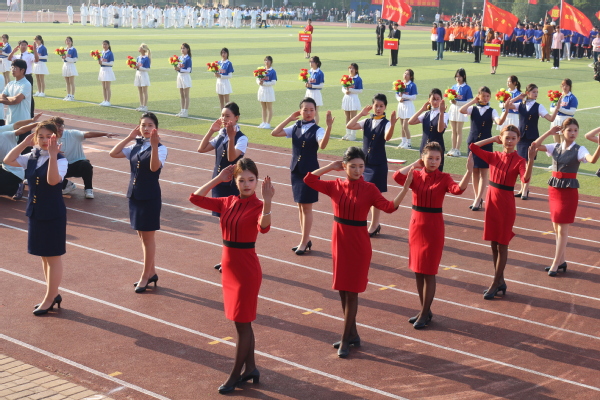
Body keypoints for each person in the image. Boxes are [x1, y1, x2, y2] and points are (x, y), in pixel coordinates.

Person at [305, 147, 408, 356]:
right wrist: (330, 167)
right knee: (343, 290)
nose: (358, 170)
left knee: (352, 292)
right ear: (344, 166)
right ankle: (353, 335)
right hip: (339, 242)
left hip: (359, 244)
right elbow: (309, 180)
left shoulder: (370, 188)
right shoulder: (335, 185)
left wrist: (405, 188)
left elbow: (389, 207)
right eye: (353, 166)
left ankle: (345, 339)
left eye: (361, 166)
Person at [189, 158, 273, 393]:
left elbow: (264, 228)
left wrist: (267, 202)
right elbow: (195, 198)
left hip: (246, 270)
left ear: (257, 181)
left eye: (251, 180)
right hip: (229, 267)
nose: (247, 184)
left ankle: (235, 375)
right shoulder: (227, 201)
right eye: (242, 180)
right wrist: (218, 179)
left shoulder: (258, 205)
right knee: (241, 323)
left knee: (242, 322)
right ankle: (251, 368)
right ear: (235, 182)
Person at [394, 143, 473, 327]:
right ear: (423, 158)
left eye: (437, 158)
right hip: (416, 226)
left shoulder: (444, 178)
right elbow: (397, 176)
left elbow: (458, 190)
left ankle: (424, 314)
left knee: (428, 272)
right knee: (418, 271)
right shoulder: (415, 175)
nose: (434, 162)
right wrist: (415, 164)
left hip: (433, 228)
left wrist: (469, 171)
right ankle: (425, 310)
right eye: (430, 158)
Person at [3, 121, 68, 315]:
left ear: (56, 137)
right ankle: (53, 294)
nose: (45, 140)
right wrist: (24, 143)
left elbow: (52, 180)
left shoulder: (61, 160)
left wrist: (53, 155)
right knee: (44, 256)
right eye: (41, 136)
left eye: (49, 137)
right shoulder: (32, 156)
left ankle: (50, 297)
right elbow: (8, 160)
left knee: (53, 257)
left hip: (53, 214)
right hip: (35, 212)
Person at [469, 125, 535, 298]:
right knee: (493, 243)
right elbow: (473, 147)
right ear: (501, 138)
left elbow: (525, 179)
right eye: (507, 137)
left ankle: (495, 283)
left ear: (518, 140)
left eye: (513, 138)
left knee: (502, 243)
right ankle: (501, 281)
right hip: (491, 201)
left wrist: (531, 160)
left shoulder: (520, 161)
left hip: (506, 204)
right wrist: (493, 139)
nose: (510, 141)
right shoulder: (494, 156)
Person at [532, 120, 600, 276]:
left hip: (568, 192)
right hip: (554, 189)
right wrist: (549, 132)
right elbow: (535, 145)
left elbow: (592, 160)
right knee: (556, 228)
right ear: (562, 131)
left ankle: (555, 263)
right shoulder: (554, 146)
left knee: (562, 229)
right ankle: (562, 261)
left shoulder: (580, 149)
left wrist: (599, 146)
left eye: (576, 130)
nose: (573, 133)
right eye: (569, 130)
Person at [109, 112, 167, 293]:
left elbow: (154, 167)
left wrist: (154, 146)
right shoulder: (136, 145)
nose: (146, 128)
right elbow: (113, 153)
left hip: (149, 197)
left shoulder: (161, 148)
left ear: (156, 128)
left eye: (150, 125)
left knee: (148, 238)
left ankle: (145, 276)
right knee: (142, 236)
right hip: (135, 195)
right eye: (143, 125)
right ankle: (152, 272)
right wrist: (129, 137)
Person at [271, 97, 333, 255]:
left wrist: (329, 127)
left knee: (306, 207)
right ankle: (305, 239)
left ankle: (304, 241)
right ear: (300, 111)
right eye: (305, 110)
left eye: (312, 110)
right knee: (300, 206)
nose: (309, 113)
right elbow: (275, 133)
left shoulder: (318, 130)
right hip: (296, 171)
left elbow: (323, 145)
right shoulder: (296, 126)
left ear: (315, 111)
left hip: (310, 173)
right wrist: (289, 119)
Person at [346, 94, 398, 236]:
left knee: (374, 195)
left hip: (378, 164)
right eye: (376, 105)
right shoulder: (367, 121)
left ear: (385, 107)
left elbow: (387, 137)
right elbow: (349, 125)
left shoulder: (386, 123)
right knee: (361, 192)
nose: (378, 108)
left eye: (381, 106)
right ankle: (365, 221)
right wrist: (361, 114)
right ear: (372, 106)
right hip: (364, 164)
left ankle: (374, 224)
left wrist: (393, 124)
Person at [460, 86, 509, 210]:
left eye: (488, 96)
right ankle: (477, 197)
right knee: (474, 171)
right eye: (483, 96)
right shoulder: (473, 108)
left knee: (483, 172)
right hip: (473, 142)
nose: (486, 98)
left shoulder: (492, 111)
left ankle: (478, 199)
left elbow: (499, 122)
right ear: (479, 96)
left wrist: (506, 110)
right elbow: (461, 110)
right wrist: (473, 101)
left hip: (486, 144)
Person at [509, 83, 560, 199]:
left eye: (537, 92)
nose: (536, 94)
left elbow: (551, 118)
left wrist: (557, 108)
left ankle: (525, 190)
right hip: (521, 138)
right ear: (527, 93)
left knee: (528, 164)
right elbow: (507, 105)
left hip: (532, 138)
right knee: (521, 164)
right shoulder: (520, 104)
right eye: (533, 92)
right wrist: (518, 97)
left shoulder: (539, 106)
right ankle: (522, 189)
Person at [197, 101, 247, 220]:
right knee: (220, 216)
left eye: (227, 116)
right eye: (222, 115)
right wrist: (211, 130)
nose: (224, 118)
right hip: (217, 181)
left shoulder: (242, 138)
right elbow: (201, 149)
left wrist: (231, 138)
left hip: (232, 184)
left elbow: (231, 158)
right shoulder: (221, 134)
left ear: (236, 117)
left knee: (231, 217)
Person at [49, 116, 117, 199]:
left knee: (86, 164)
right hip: (61, 166)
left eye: (61, 126)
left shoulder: (72, 134)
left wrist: (105, 134)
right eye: (56, 126)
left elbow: (88, 134)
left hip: (76, 165)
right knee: (45, 170)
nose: (59, 128)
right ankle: (67, 185)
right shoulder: (49, 138)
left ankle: (88, 189)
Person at [0, 116, 42, 198]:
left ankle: (16, 188)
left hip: (15, 171)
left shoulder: (5, 134)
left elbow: (20, 130)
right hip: (6, 168)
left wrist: (37, 124)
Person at [409, 88, 449, 171]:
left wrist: (441, 113)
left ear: (441, 100)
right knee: (423, 172)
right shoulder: (427, 114)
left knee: (436, 173)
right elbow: (411, 122)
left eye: (438, 99)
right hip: (424, 147)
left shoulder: (445, 115)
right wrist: (422, 109)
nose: (435, 102)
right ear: (429, 100)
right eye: (433, 99)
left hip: (437, 149)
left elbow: (440, 130)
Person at [0, 59, 32, 145]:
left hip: (22, 122)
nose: (12, 70)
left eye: (15, 68)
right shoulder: (10, 84)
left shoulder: (26, 84)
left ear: (22, 70)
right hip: (10, 121)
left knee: (23, 148)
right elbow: (1, 97)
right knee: (9, 147)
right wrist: (12, 99)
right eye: (12, 67)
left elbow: (17, 100)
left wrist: (7, 98)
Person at [446, 68, 472, 157]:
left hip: (461, 110)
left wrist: (457, 103)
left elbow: (469, 101)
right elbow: (450, 99)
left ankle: (457, 149)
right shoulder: (453, 87)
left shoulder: (467, 88)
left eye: (460, 76)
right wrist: (452, 101)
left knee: (459, 130)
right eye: (456, 76)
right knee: (453, 131)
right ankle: (453, 148)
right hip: (453, 109)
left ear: (464, 76)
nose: (458, 78)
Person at [8, 40, 37, 118]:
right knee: (18, 94)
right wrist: (13, 51)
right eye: (22, 45)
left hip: (27, 76)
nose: (24, 46)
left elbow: (36, 60)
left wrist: (35, 50)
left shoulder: (30, 55)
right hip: (19, 77)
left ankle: (31, 115)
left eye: (25, 45)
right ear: (19, 46)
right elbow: (9, 58)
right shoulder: (17, 56)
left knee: (29, 96)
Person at [396, 69, 417, 149]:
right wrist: (399, 99)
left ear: (411, 76)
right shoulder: (400, 84)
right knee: (402, 125)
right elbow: (397, 94)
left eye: (407, 74)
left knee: (405, 126)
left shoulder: (412, 85)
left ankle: (409, 143)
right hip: (401, 105)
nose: (405, 75)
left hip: (408, 106)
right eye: (405, 73)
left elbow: (414, 97)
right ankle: (403, 141)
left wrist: (404, 96)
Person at [341, 63, 362, 141]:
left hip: (354, 98)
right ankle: (348, 133)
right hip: (346, 98)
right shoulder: (346, 78)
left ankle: (353, 135)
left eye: (353, 68)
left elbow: (360, 90)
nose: (351, 70)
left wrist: (351, 90)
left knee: (353, 117)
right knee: (347, 117)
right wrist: (345, 91)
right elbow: (343, 88)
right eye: (350, 68)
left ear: (356, 70)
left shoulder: (358, 79)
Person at [257, 56, 276, 129]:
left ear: (271, 62)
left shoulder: (272, 71)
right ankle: (263, 122)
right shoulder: (261, 70)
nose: (267, 62)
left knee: (269, 107)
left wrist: (264, 83)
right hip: (262, 89)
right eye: (265, 60)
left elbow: (273, 82)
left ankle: (268, 123)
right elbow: (257, 79)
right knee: (263, 107)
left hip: (268, 90)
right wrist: (259, 82)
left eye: (268, 61)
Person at [305, 56, 324, 124]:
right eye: (310, 62)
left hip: (315, 93)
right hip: (308, 92)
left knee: (315, 111)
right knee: (307, 110)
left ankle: (315, 127)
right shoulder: (309, 72)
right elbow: (307, 80)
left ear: (317, 63)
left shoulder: (320, 73)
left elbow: (321, 85)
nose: (311, 63)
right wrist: (306, 84)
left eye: (312, 62)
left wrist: (312, 86)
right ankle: (308, 125)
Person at [175, 43, 192, 117]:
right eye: (181, 48)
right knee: (181, 94)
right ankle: (182, 110)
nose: (182, 49)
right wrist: (176, 68)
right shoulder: (179, 58)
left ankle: (186, 111)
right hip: (179, 76)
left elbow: (189, 70)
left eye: (184, 48)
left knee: (186, 95)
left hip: (185, 77)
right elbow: (178, 66)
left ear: (187, 49)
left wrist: (180, 69)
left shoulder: (188, 58)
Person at [134, 43, 151, 112]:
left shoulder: (146, 58)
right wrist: (135, 67)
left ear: (143, 49)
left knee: (144, 91)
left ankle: (145, 106)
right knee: (140, 91)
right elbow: (137, 66)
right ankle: (141, 105)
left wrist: (139, 68)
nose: (139, 48)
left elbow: (148, 69)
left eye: (140, 47)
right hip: (138, 74)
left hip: (144, 75)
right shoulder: (138, 57)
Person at [98, 40, 115, 107]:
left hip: (108, 70)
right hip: (102, 70)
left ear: (108, 45)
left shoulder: (110, 53)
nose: (104, 46)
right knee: (103, 87)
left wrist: (102, 63)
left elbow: (111, 63)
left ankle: (108, 101)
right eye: (103, 44)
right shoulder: (101, 53)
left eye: (105, 44)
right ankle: (105, 100)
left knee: (107, 87)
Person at [61, 36, 78, 101]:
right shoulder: (64, 50)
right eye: (67, 41)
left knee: (71, 82)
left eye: (69, 41)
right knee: (67, 82)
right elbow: (63, 59)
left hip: (71, 66)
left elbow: (75, 59)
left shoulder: (73, 49)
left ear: (71, 42)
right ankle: (68, 95)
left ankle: (72, 96)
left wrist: (67, 58)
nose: (68, 42)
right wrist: (63, 58)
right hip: (65, 65)